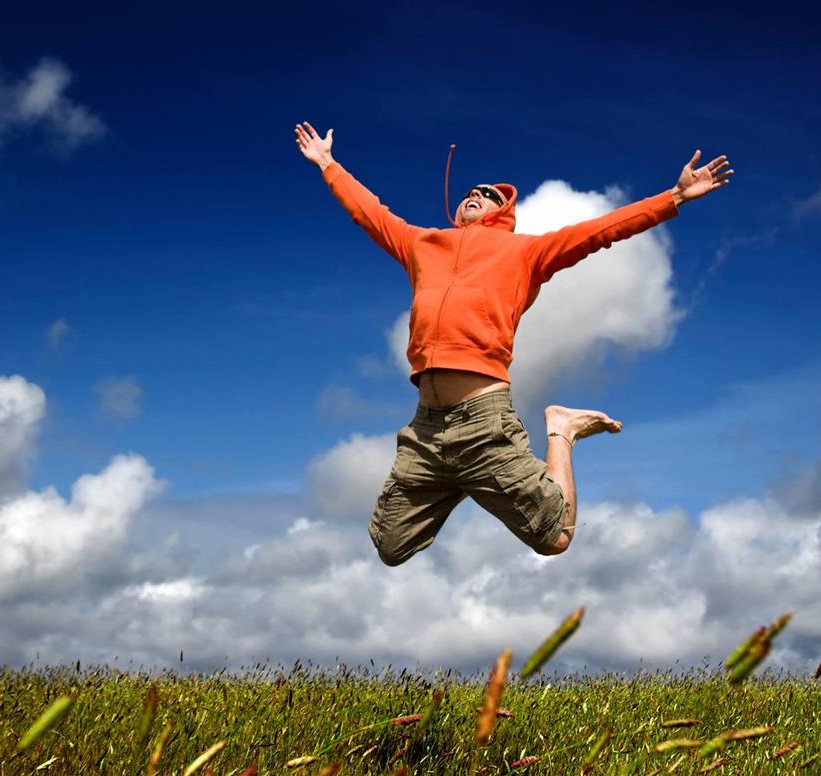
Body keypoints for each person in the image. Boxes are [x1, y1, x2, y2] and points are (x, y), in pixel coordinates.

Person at [294, 121, 732, 566]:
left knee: (555, 537)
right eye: (472, 191)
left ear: (503, 211)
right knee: (390, 546)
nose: (476, 194)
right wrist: (328, 163)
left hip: (483, 421)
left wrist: (673, 197)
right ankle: (463, 480)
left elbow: (600, 231)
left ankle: (562, 430)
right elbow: (370, 213)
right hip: (426, 429)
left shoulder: (524, 252)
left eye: (489, 194)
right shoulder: (422, 244)